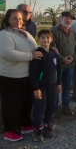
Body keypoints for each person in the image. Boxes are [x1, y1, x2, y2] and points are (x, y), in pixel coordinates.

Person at [0, 9, 42, 142]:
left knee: (26, 103)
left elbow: (35, 48)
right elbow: (7, 53)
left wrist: (47, 49)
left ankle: (26, 124)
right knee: (12, 105)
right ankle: (10, 130)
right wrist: (31, 56)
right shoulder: (5, 34)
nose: (18, 21)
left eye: (20, 19)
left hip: (26, 75)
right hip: (11, 77)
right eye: (15, 19)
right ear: (8, 20)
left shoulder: (25, 33)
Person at [29, 29, 62, 142]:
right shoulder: (38, 54)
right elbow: (33, 73)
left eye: (47, 38)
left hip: (52, 86)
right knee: (39, 108)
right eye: (42, 38)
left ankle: (47, 126)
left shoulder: (54, 53)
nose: (45, 40)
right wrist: (36, 88)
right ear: (38, 39)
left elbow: (58, 69)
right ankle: (37, 129)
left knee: (51, 106)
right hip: (41, 87)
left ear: (51, 39)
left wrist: (59, 83)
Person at [51, 11, 76, 116]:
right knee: (55, 87)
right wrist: (62, 58)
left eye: (71, 19)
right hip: (57, 66)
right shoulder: (54, 31)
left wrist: (73, 58)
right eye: (67, 18)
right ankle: (54, 108)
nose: (69, 20)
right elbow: (52, 48)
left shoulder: (74, 33)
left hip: (70, 66)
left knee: (67, 87)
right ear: (61, 18)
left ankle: (65, 106)